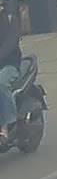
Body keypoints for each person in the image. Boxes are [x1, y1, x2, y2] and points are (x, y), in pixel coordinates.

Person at [0, 15, 20, 144]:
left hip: (9, 64)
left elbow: (11, 42)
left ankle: (8, 124)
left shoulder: (9, 18)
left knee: (1, 83)